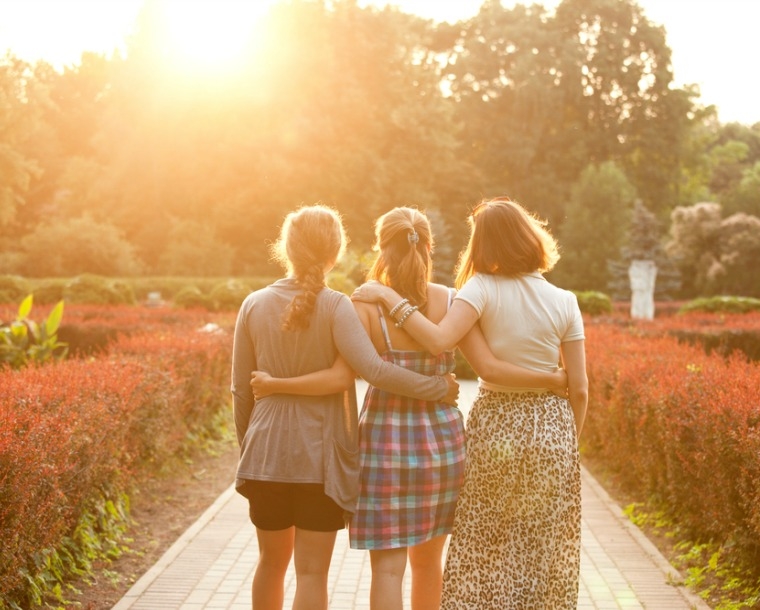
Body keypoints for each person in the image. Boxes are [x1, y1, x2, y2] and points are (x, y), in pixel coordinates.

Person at [253, 206, 568, 610]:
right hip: (441, 445)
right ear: (430, 247)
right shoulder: (452, 301)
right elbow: (487, 360)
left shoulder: (363, 305)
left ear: (381, 249)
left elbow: (357, 371)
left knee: (388, 570)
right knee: (428, 565)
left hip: (384, 445)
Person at [351, 197, 588, 609]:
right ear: (428, 247)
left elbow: (458, 357)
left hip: (409, 439)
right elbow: (575, 387)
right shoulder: (460, 297)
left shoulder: (378, 302)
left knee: (413, 566)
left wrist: (387, 298)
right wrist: (561, 417)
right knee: (450, 563)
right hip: (469, 441)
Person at [230, 204, 460, 610]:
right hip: (322, 461)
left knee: (269, 563)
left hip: (264, 455)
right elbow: (367, 369)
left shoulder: (253, 304)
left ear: (286, 248)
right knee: (312, 573)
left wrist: (249, 450)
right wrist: (437, 388)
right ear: (335, 252)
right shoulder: (337, 306)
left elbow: (240, 391)